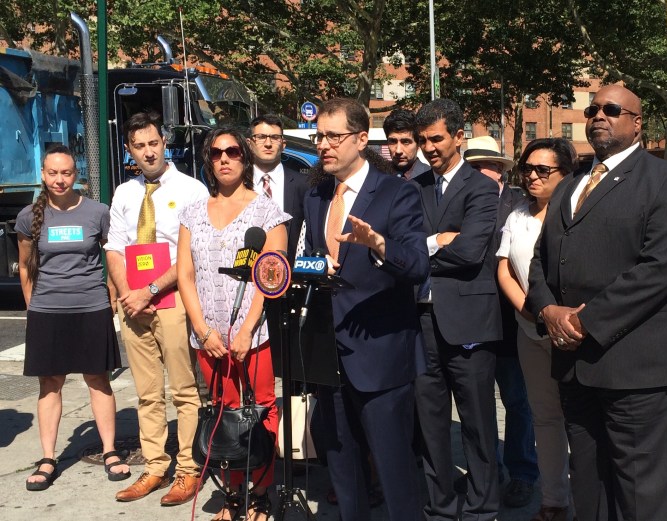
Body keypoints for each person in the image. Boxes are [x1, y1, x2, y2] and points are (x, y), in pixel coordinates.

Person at [526, 84, 667, 521]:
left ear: (637, 123)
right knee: (589, 489)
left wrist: (584, 322)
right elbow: (540, 261)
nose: (599, 114)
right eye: (593, 108)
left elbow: (658, 268)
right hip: (575, 370)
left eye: (612, 109)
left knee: (639, 497)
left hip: (636, 371)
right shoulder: (568, 186)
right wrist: (548, 311)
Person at [303, 97, 429, 521]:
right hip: (329, 357)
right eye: (318, 136)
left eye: (333, 136)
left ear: (360, 139)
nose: (323, 145)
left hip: (382, 355)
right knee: (343, 473)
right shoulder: (316, 194)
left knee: (394, 473)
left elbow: (416, 265)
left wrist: (379, 247)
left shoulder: (397, 192)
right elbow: (313, 257)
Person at [177, 127, 288, 521]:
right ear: (208, 160)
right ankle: (232, 492)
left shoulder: (268, 213)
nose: (225, 158)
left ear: (246, 158)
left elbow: (271, 276)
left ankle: (260, 492)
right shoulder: (191, 213)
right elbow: (185, 277)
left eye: (234, 151)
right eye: (217, 152)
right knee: (224, 410)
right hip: (207, 336)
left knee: (260, 410)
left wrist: (246, 330)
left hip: (253, 335)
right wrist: (203, 331)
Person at [105, 111, 208, 505]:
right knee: (147, 392)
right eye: (139, 146)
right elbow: (114, 246)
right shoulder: (124, 192)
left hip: (172, 298)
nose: (148, 152)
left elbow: (191, 253)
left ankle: (187, 470)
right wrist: (127, 290)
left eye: (153, 143)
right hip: (134, 303)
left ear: (164, 142)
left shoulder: (191, 189)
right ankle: (154, 467)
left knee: (184, 390)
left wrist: (148, 289)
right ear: (130, 150)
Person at [16, 145, 130, 491]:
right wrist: (33, 305)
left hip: (91, 308)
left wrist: (110, 295)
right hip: (47, 312)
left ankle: (110, 451)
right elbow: (24, 266)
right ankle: (48, 458)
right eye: (53, 173)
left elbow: (113, 257)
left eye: (66, 173)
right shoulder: (28, 216)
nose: (59, 179)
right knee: (50, 384)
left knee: (98, 379)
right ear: (43, 174)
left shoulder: (98, 212)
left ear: (76, 175)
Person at [412, 99, 501, 521]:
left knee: (478, 426)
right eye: (422, 140)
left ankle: (483, 509)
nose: (428, 147)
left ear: (458, 137)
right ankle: (440, 508)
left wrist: (425, 247)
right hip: (422, 322)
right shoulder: (415, 187)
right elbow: (404, 248)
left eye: (436, 138)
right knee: (431, 426)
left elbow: (468, 252)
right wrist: (435, 241)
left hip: (469, 324)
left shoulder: (482, 187)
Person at [496, 138, 578, 521]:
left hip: (577, 336)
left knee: (583, 422)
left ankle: (591, 498)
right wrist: (532, 315)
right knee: (544, 419)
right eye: (526, 169)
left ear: (566, 174)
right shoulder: (517, 215)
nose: (531, 176)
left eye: (542, 170)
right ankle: (554, 502)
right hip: (529, 333)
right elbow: (505, 270)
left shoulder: (580, 215)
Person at [464, 135, 539, 508]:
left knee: (517, 402)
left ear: (501, 170)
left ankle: (523, 473)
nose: (480, 172)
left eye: (487, 165)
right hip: (471, 324)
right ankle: (485, 474)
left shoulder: (520, 206)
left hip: (511, 324)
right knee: (476, 406)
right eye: (473, 165)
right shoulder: (456, 203)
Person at [248, 114, 308, 262]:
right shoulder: (238, 184)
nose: (268, 143)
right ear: (249, 143)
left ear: (283, 144)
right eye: (261, 137)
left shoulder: (305, 185)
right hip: (244, 276)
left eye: (275, 137)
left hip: (290, 276)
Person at [383, 108, 429, 179]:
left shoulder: (432, 178)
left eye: (406, 142)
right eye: (393, 141)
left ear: (418, 144)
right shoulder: (377, 176)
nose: (398, 151)